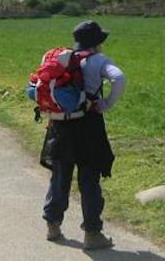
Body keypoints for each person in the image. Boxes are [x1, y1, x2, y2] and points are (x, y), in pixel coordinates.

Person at [42, 20, 126, 250]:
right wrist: (106, 103)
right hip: (89, 126)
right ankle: (92, 234)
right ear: (97, 43)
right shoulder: (98, 60)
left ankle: (52, 225)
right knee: (89, 179)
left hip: (60, 125)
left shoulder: (62, 59)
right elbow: (118, 78)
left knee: (60, 176)